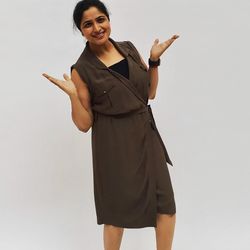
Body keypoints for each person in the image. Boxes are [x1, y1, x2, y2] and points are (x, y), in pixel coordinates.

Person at [42, 0, 179, 249]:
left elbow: (148, 93)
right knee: (117, 212)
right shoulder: (82, 69)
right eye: (88, 24)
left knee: (166, 205)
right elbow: (85, 124)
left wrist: (154, 61)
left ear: (108, 19)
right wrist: (73, 95)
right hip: (113, 143)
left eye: (100, 20)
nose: (96, 27)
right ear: (81, 31)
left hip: (146, 135)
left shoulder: (128, 48)